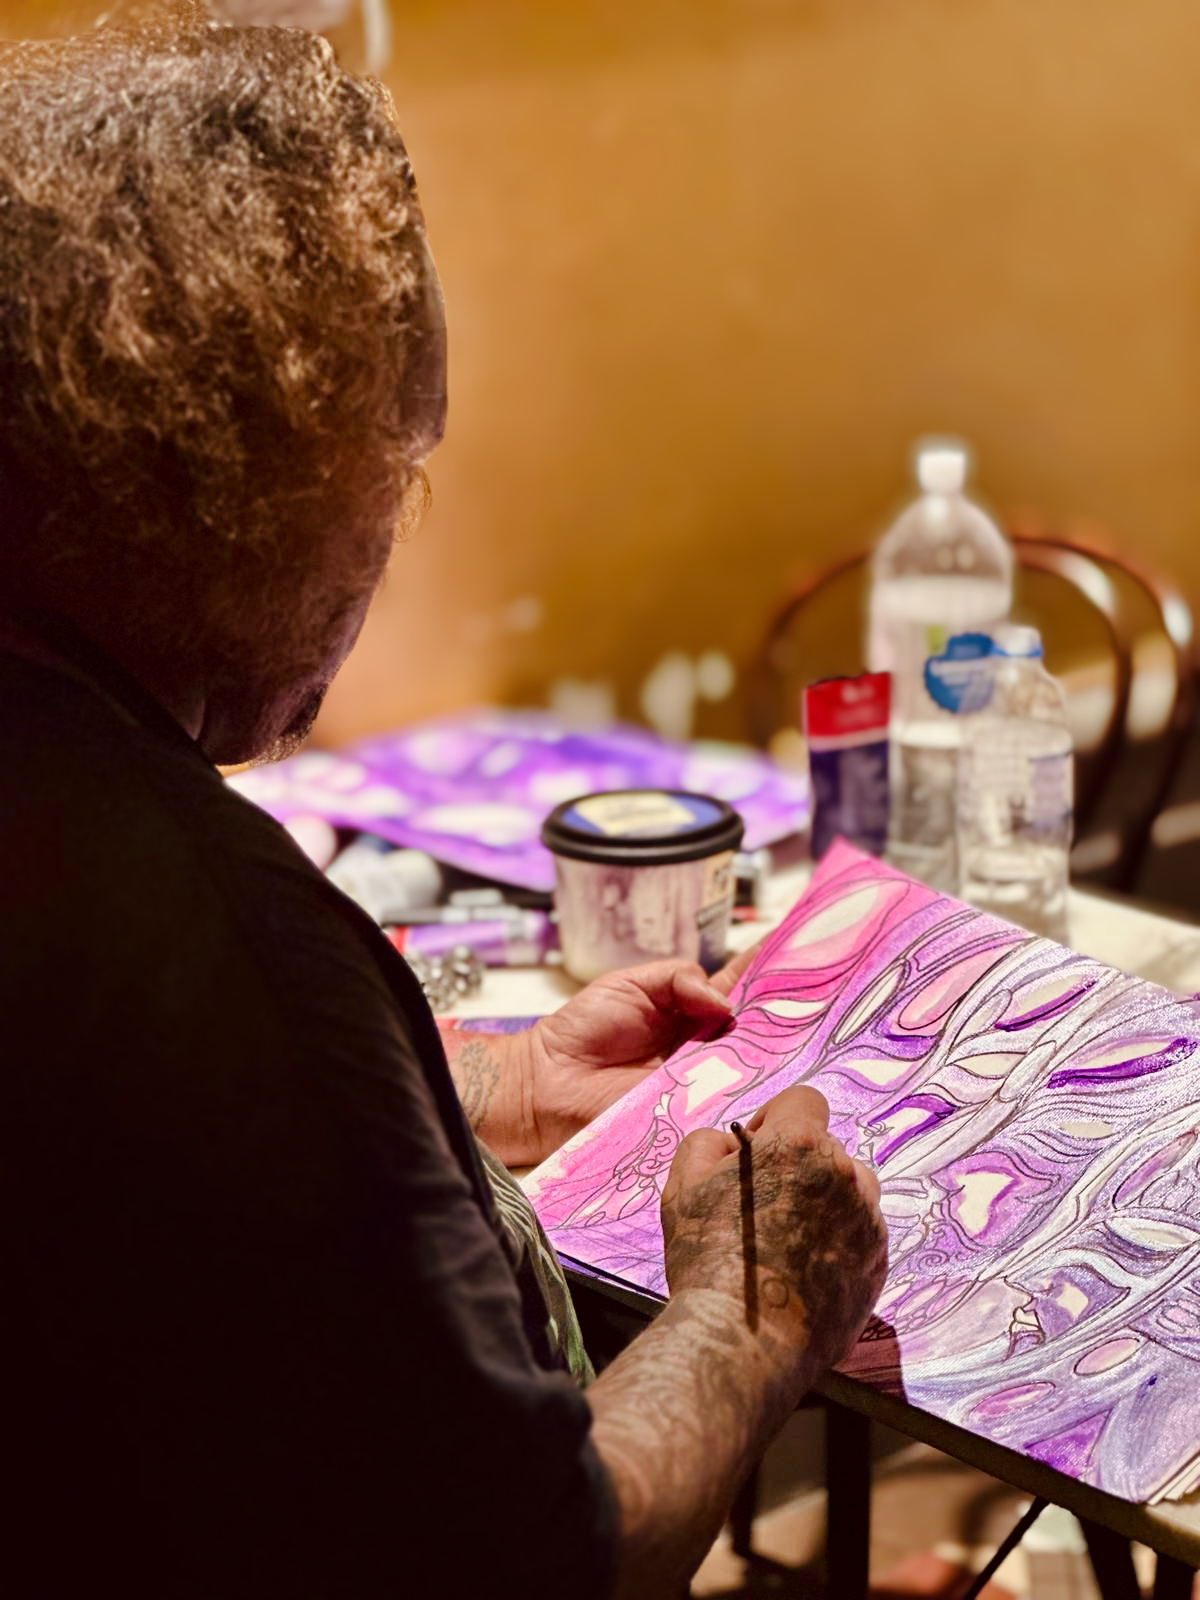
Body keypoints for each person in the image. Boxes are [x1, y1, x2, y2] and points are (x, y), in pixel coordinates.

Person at [0, 12, 888, 1599]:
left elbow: (139, 1160)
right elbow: (528, 1558)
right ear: (247, 472)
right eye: (396, 466)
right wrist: (750, 1310)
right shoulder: (218, 942)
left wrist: (487, 1085)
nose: (390, 541)